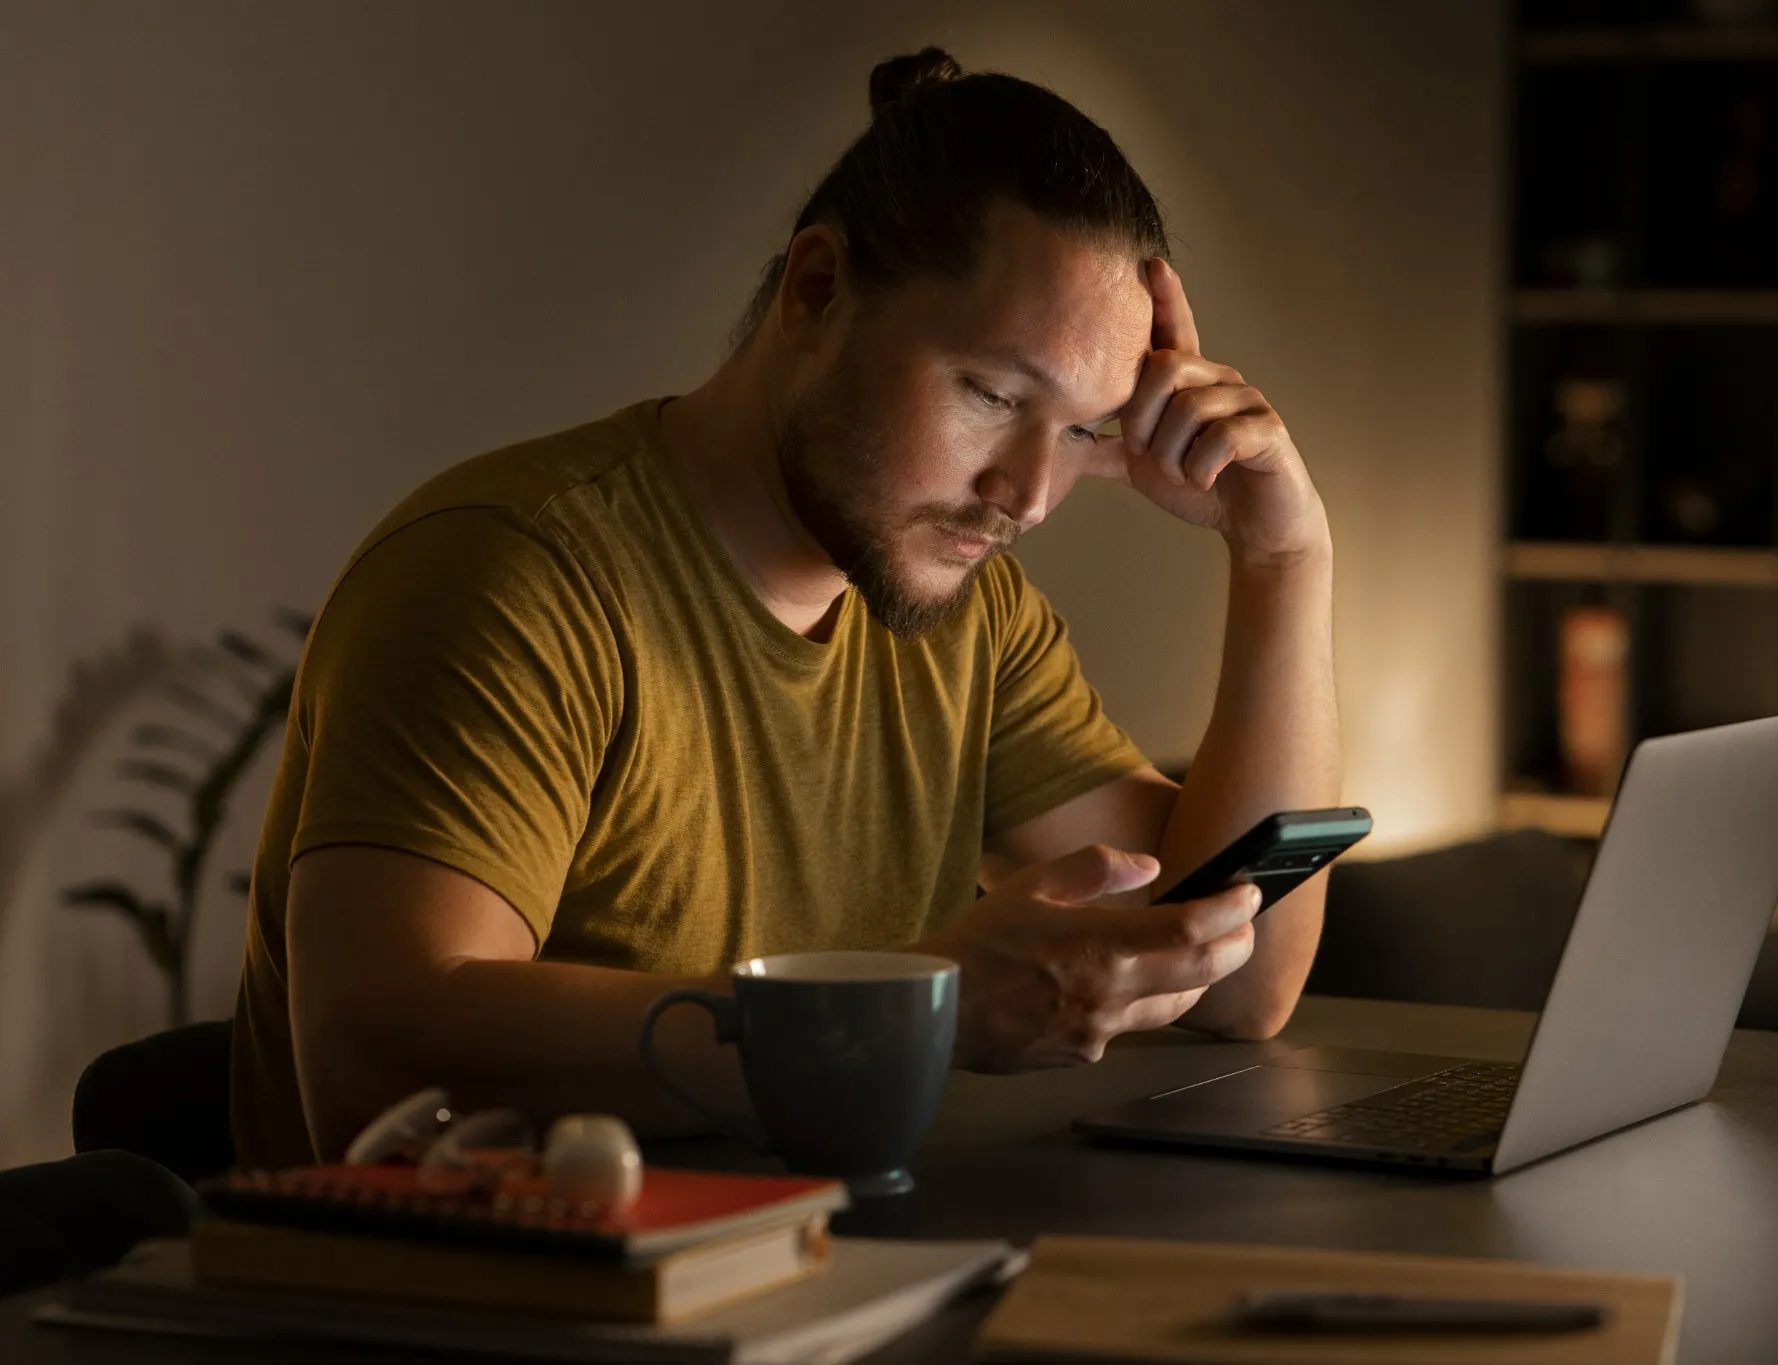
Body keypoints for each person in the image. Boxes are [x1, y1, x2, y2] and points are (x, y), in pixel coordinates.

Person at [230, 47, 1339, 1167]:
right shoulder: (510, 575)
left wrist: (1282, 558)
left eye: (1083, 430)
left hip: (808, 1279)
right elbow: (368, 1069)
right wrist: (921, 1004)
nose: (1029, 496)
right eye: (994, 395)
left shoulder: (966, 618)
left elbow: (1238, 981)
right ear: (816, 291)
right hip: (473, 1309)